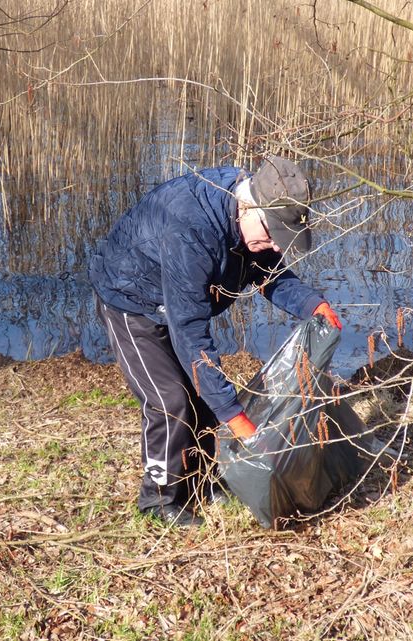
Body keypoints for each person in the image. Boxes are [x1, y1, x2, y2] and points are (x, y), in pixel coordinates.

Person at [88, 155, 342, 528]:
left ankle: (203, 481)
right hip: (131, 300)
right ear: (248, 205)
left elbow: (267, 270)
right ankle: (159, 499)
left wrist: (312, 304)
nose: (273, 244)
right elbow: (190, 331)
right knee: (170, 402)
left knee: (202, 398)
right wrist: (234, 416)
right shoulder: (191, 231)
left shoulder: (253, 216)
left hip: (176, 298)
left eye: (279, 237)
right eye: (270, 233)